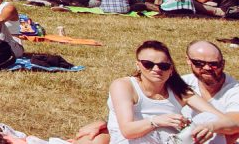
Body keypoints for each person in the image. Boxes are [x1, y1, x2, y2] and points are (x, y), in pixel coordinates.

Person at [75, 40, 225, 144]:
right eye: (148, 64)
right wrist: (157, 121)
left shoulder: (181, 91)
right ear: (138, 65)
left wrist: (209, 126)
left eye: (163, 66)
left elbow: (220, 117)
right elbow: (127, 130)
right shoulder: (124, 86)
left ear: (171, 69)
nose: (156, 69)